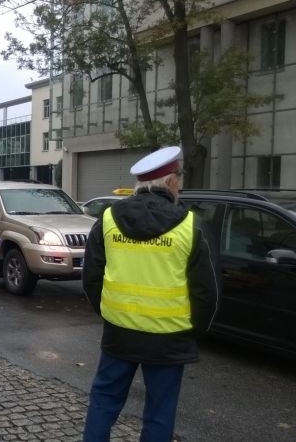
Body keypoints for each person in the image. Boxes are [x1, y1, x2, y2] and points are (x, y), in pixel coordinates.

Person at [81, 146, 220, 442]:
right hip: (170, 339)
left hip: (119, 333)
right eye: (179, 180)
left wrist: (109, 313)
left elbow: (91, 278)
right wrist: (193, 331)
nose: (180, 187)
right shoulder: (191, 226)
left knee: (103, 402)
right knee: (160, 413)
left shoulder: (106, 220)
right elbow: (207, 291)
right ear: (170, 182)